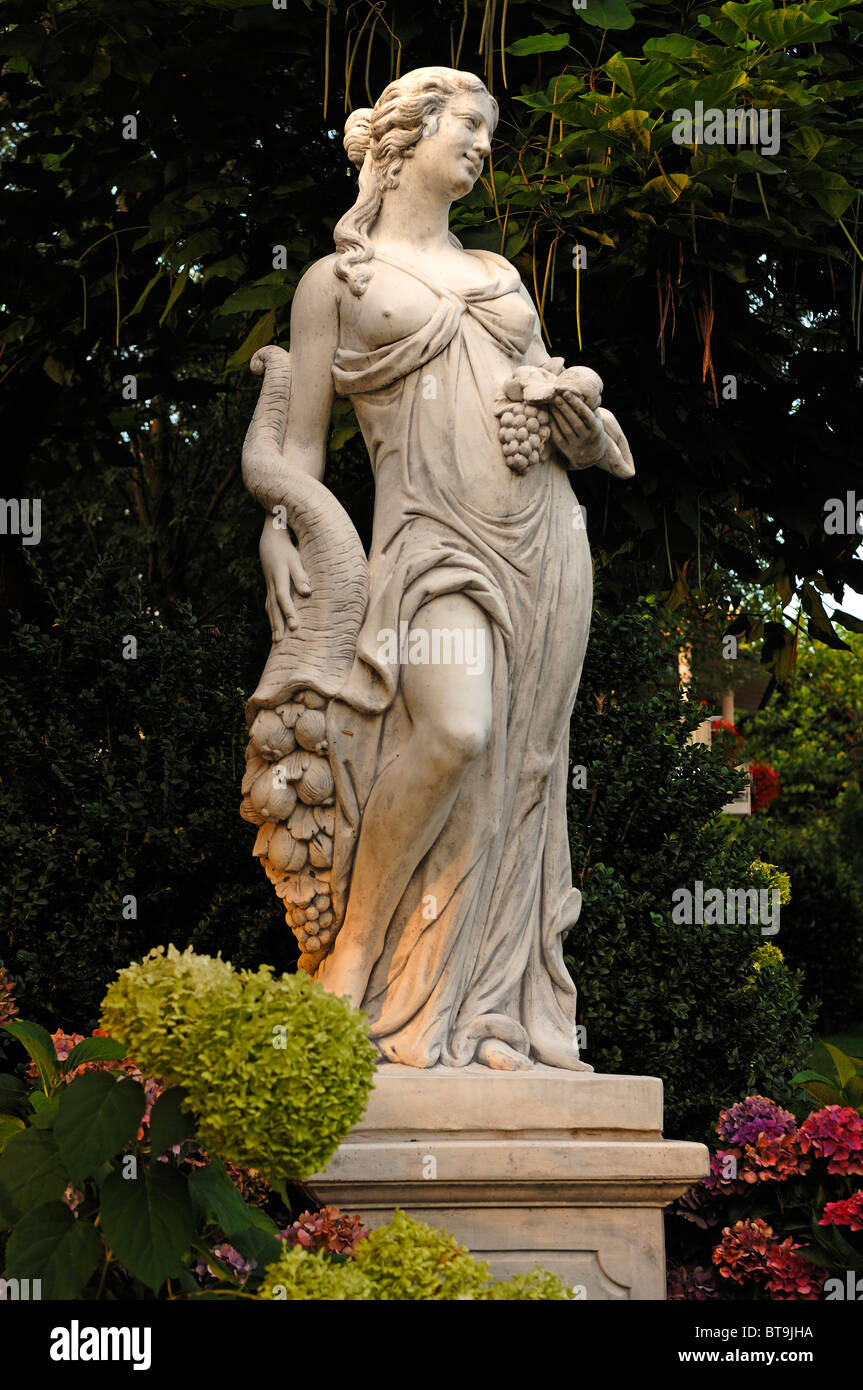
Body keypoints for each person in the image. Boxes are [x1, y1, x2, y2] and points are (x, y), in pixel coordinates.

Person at [246, 67, 633, 1071]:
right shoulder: (338, 283)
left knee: (522, 768)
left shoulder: (500, 278)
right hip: (426, 540)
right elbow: (296, 447)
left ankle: (484, 1010)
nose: (481, 146)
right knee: (456, 730)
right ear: (404, 137)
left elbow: (588, 436)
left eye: (487, 132)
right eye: (467, 125)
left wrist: (573, 417)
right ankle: (360, 946)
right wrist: (280, 530)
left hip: (542, 537)